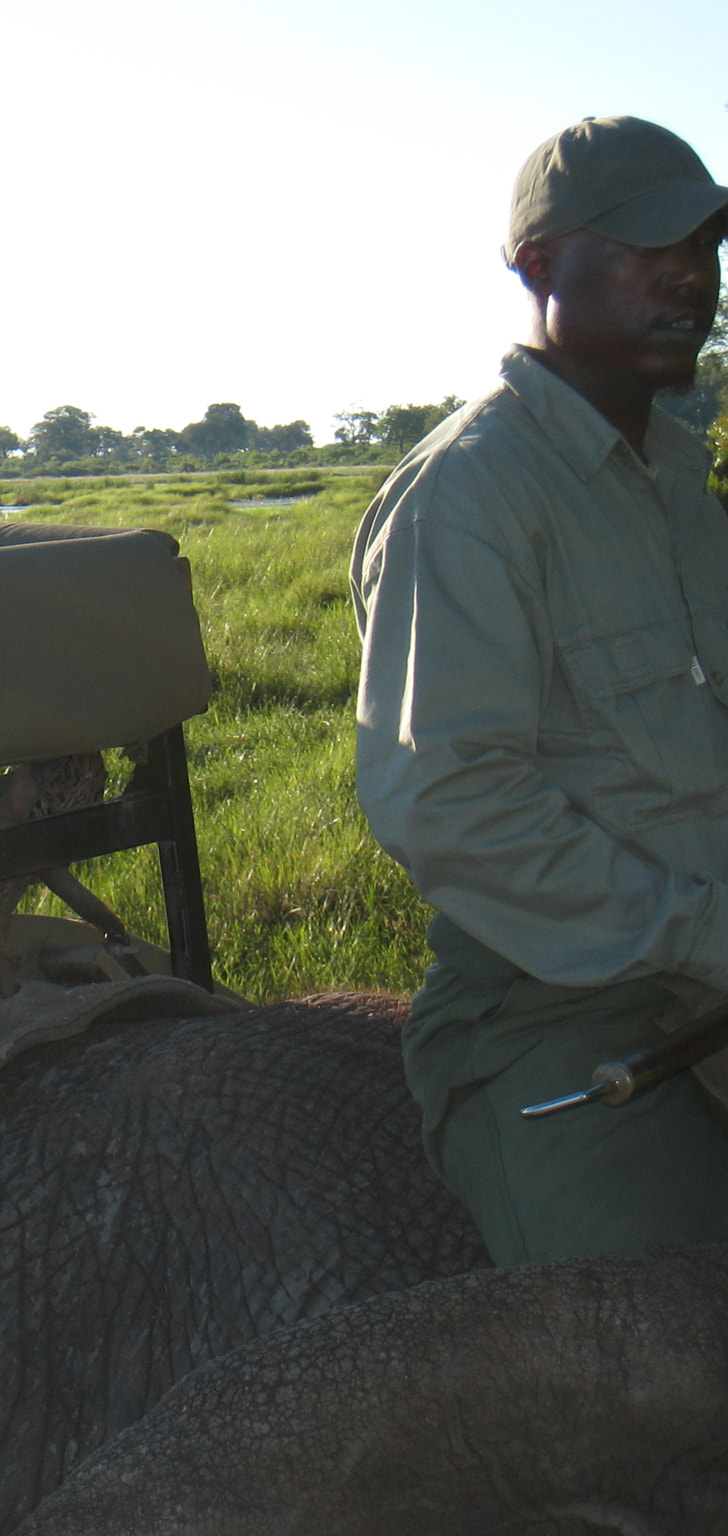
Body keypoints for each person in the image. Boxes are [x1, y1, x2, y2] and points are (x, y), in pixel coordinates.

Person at [351, 116, 728, 1265]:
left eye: (704, 242)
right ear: (533, 267)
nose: (686, 270)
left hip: (709, 953)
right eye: (639, 242)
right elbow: (450, 805)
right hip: (560, 1000)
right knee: (667, 1374)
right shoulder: (470, 494)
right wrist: (710, 932)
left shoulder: (677, 480)